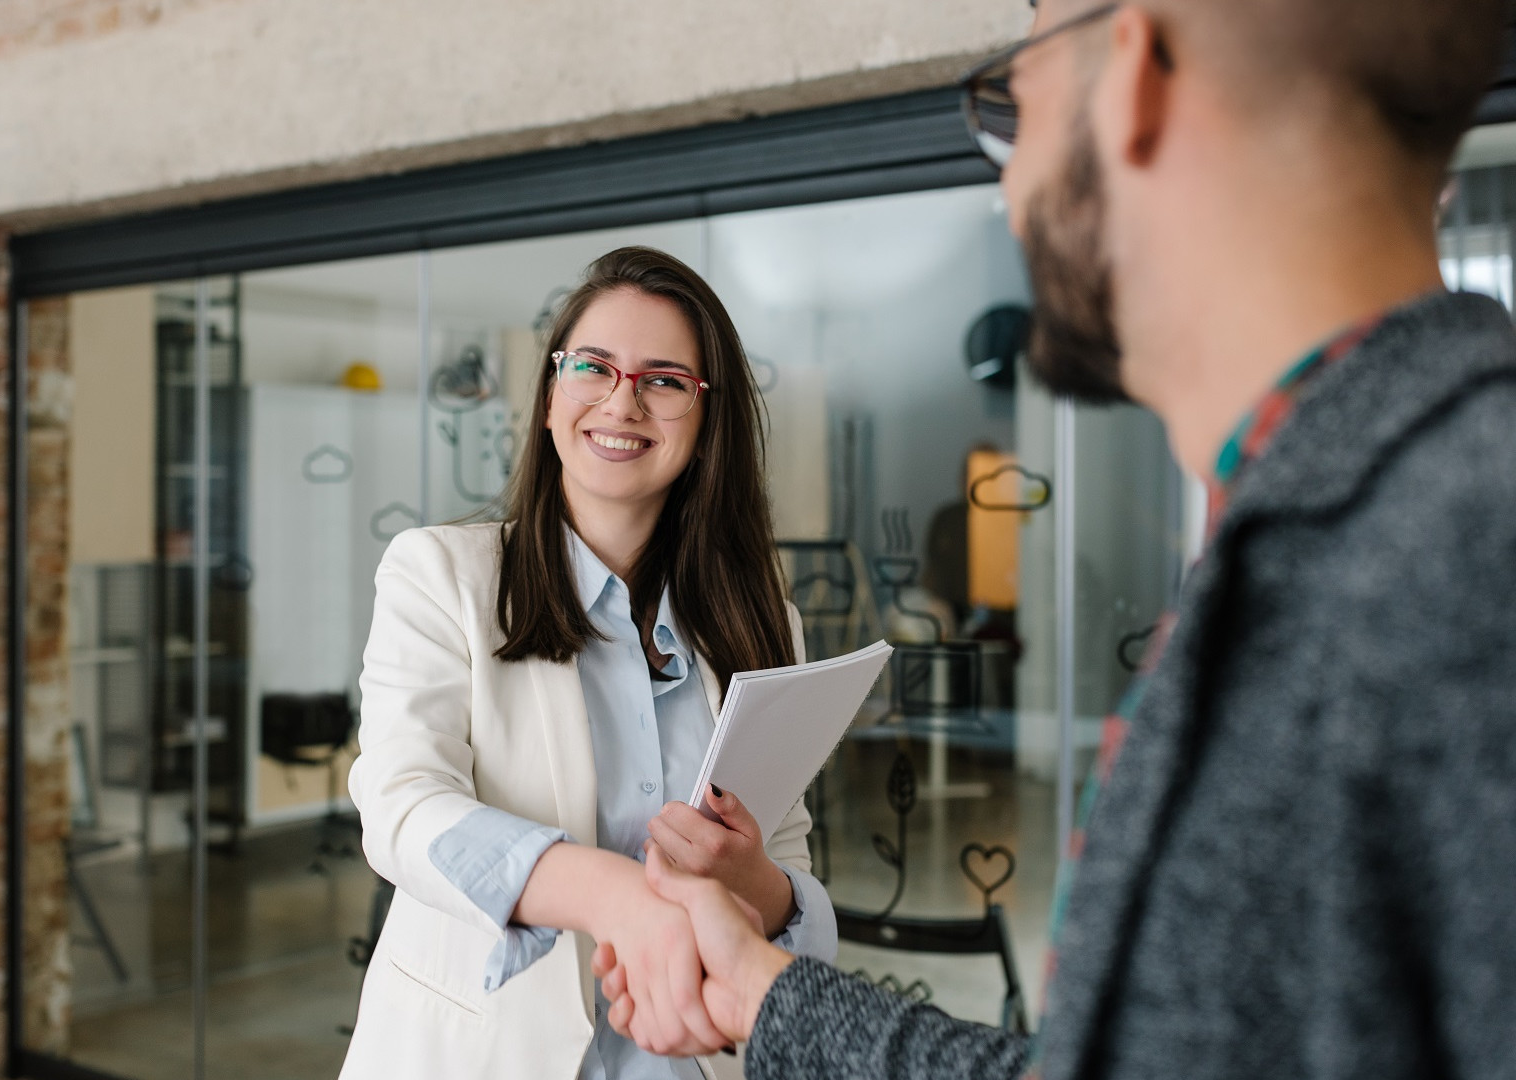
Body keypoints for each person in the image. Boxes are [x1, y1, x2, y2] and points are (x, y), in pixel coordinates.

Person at [594, 0, 1516, 1077]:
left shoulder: (1458, 551)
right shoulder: (1327, 536)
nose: (1010, 188)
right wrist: (766, 997)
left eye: (1014, 106)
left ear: (1132, 76)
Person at [342, 246, 836, 1080]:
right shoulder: (440, 577)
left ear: (706, 418)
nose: (622, 400)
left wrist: (761, 883)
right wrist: (614, 896)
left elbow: (787, 866)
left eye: (665, 379)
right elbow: (401, 810)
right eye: (593, 367)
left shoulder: (762, 621)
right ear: (549, 394)